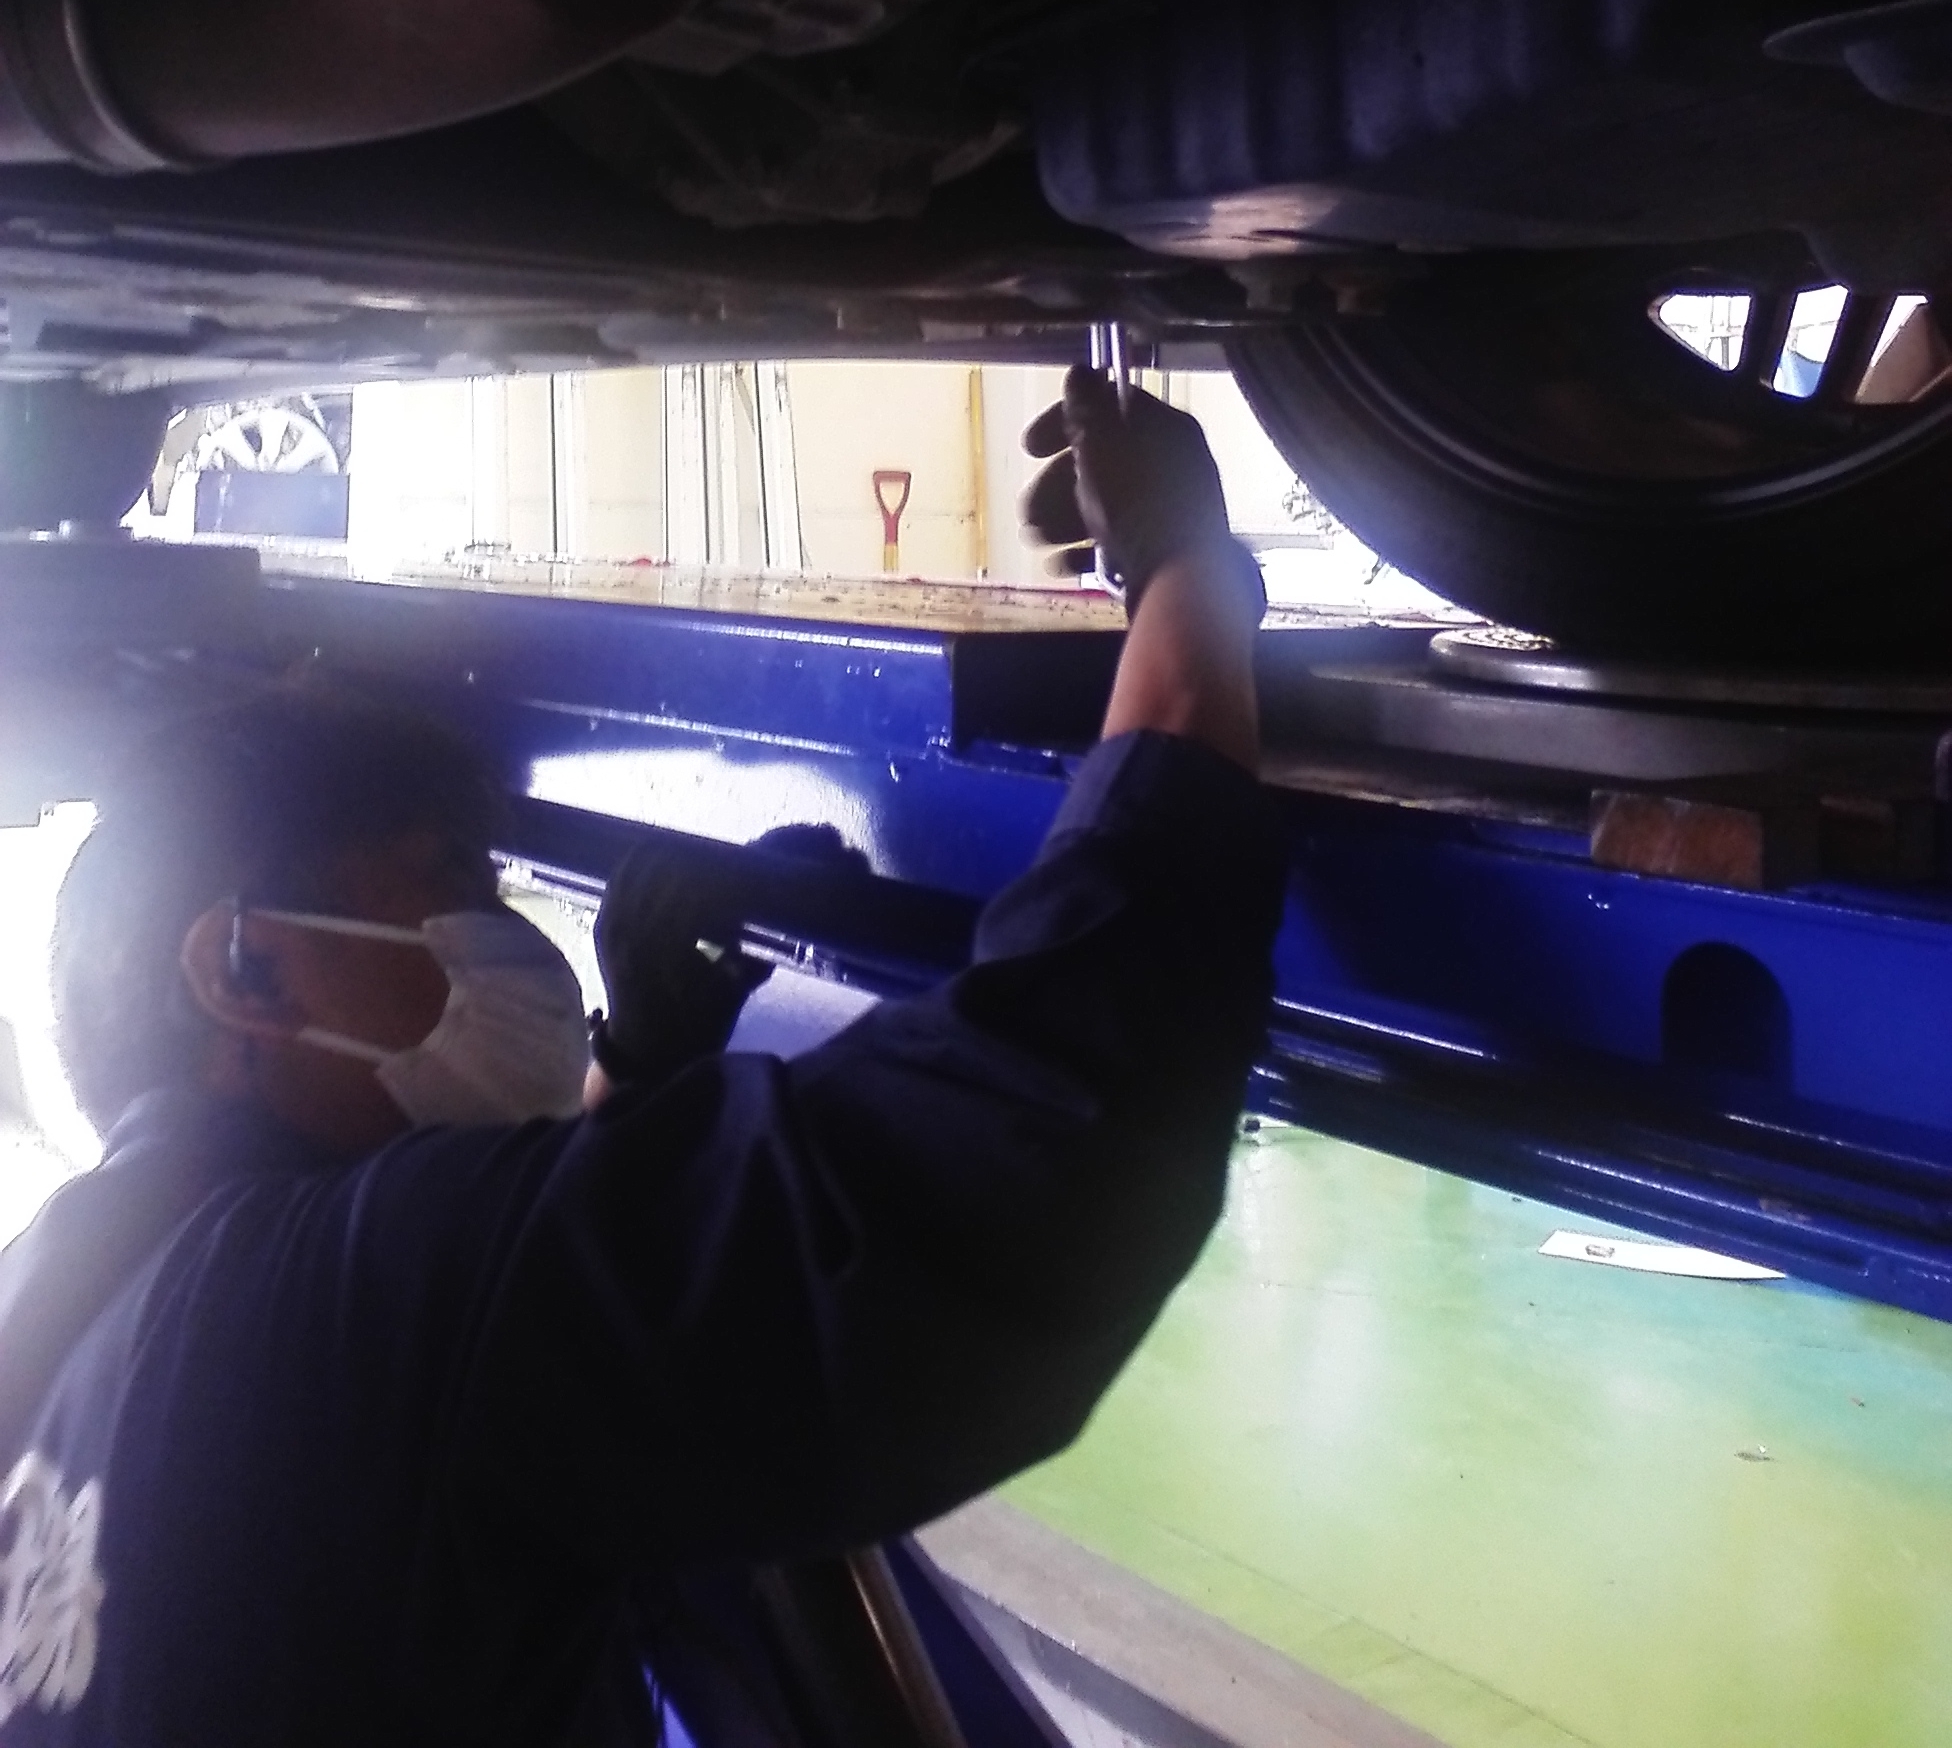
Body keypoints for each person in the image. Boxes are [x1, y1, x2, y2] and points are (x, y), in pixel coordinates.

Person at [0, 370, 1281, 1746]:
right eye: (450, 886)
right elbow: (1020, 1149)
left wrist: (638, 1076)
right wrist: (1185, 580)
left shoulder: (54, 1320)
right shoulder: (346, 1301)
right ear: (246, 970)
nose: (496, 938)